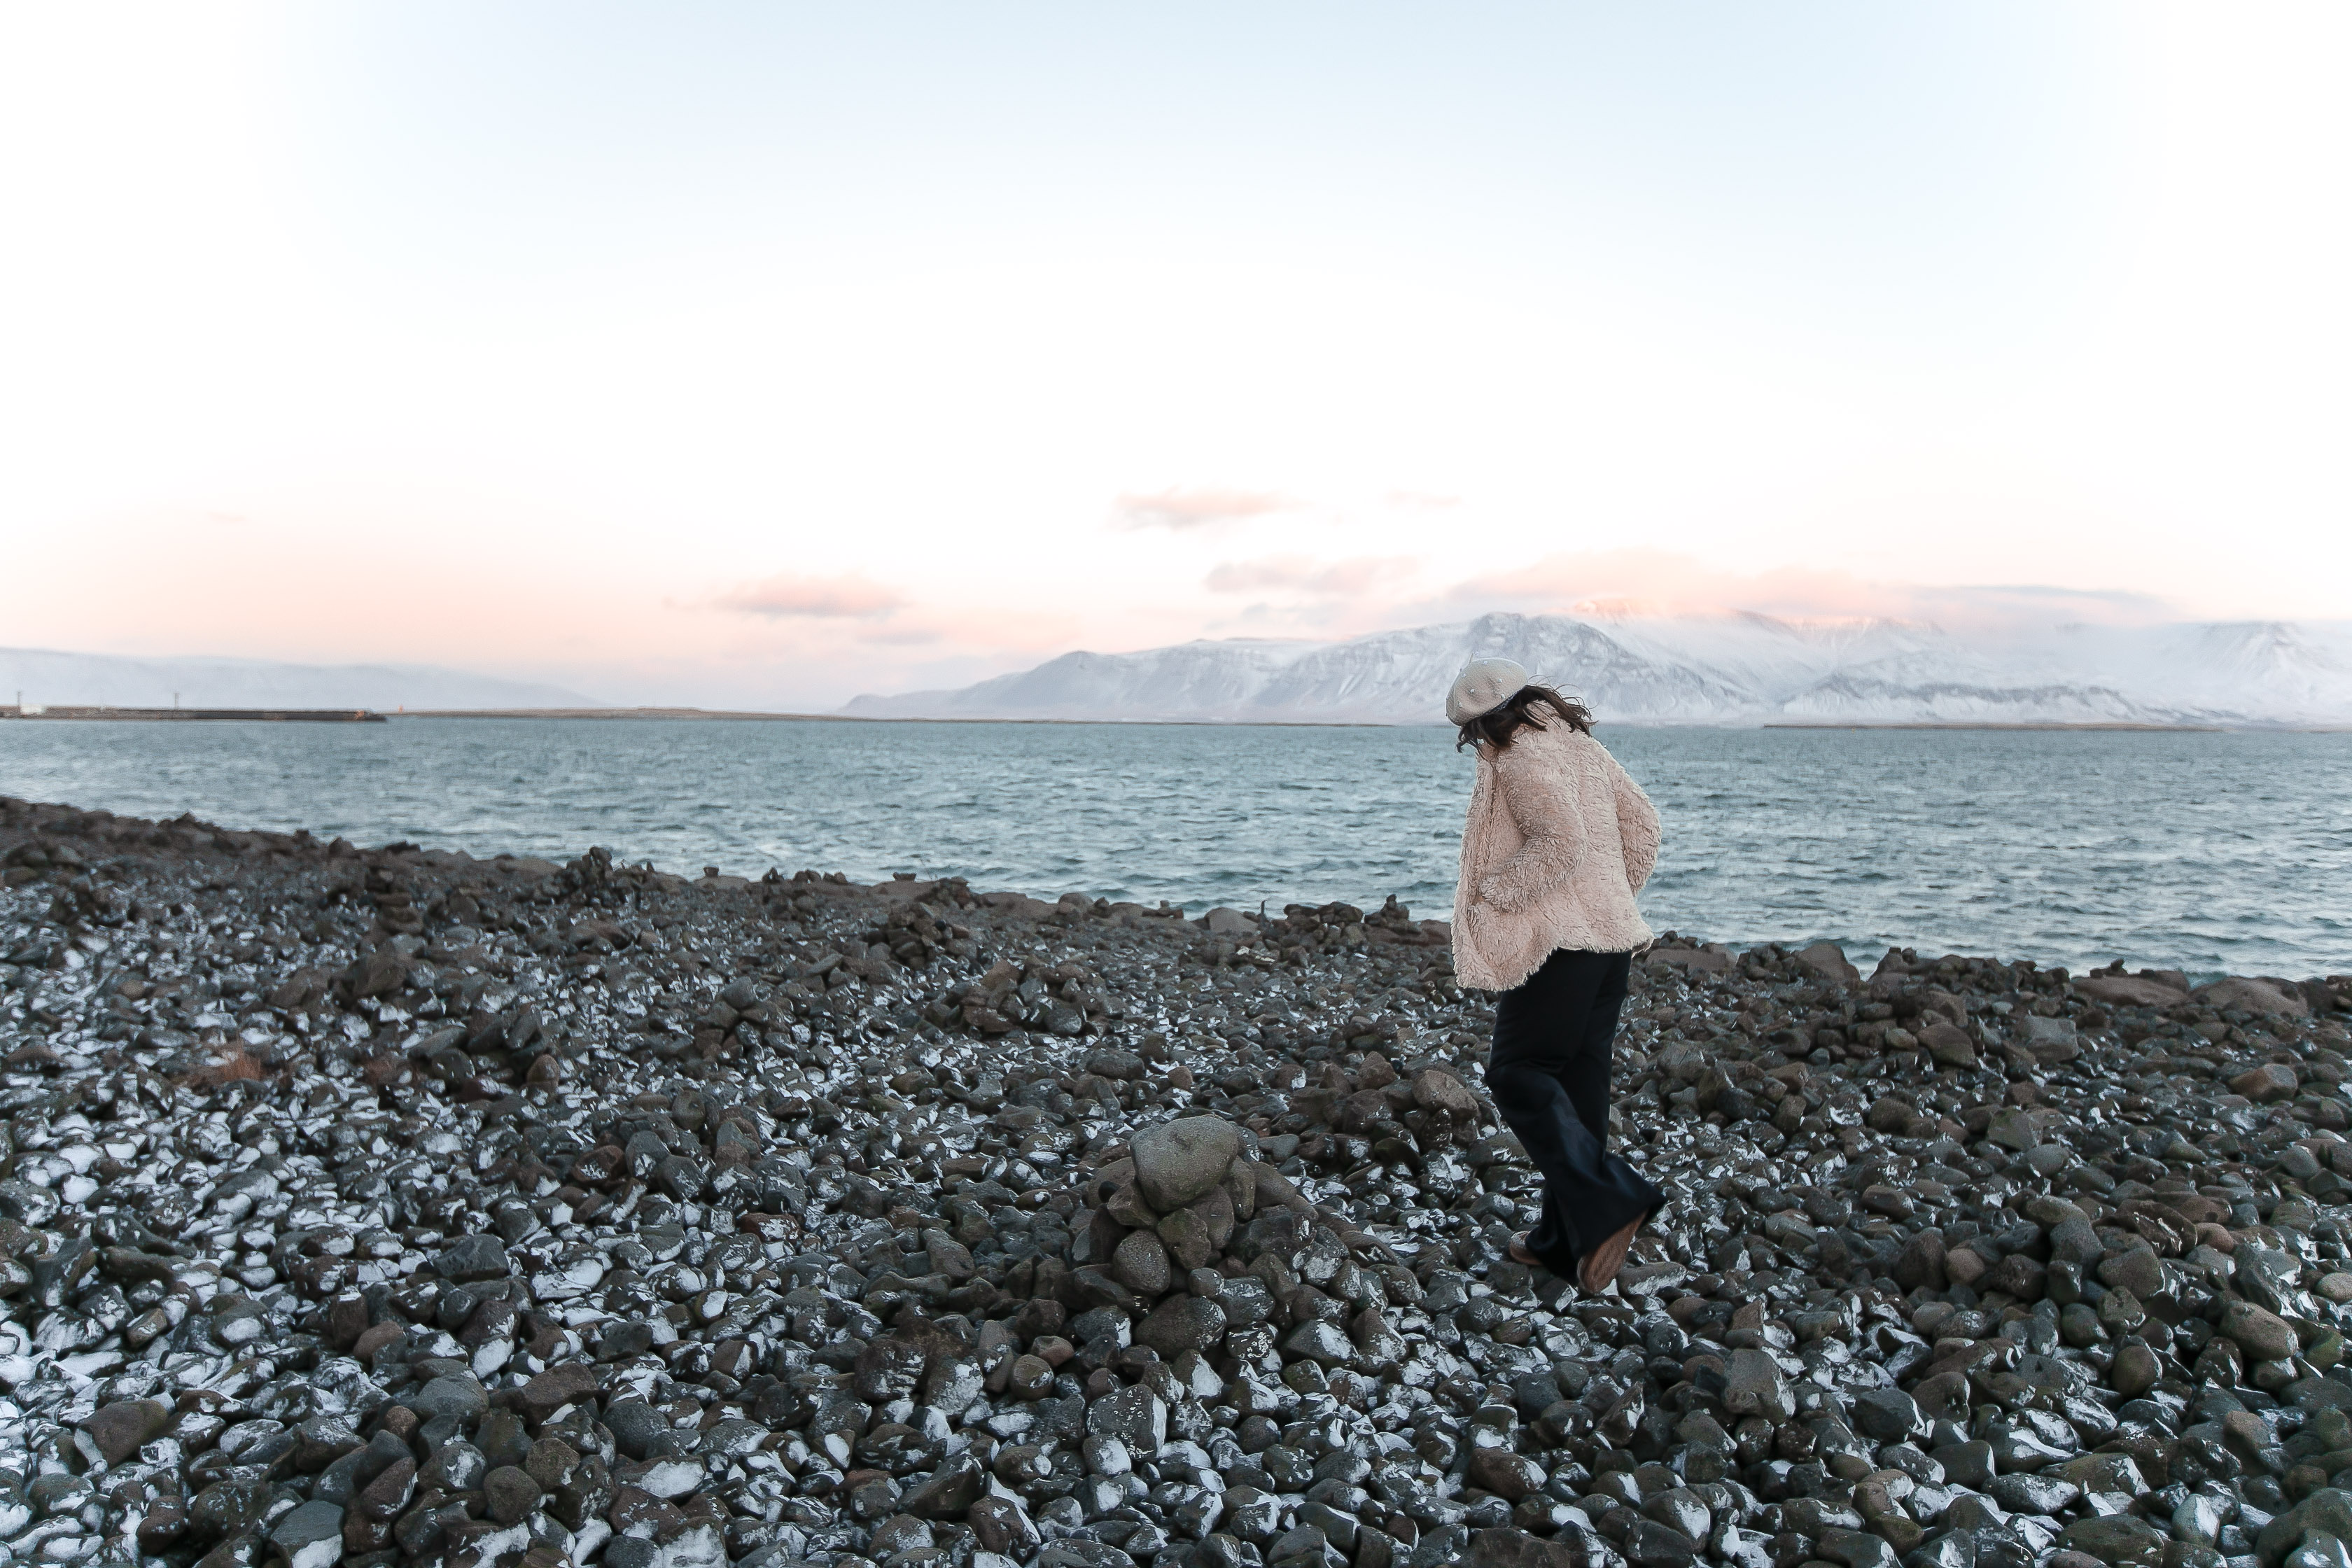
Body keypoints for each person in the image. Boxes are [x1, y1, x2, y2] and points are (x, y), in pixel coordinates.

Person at [1448, 656, 1664, 1294]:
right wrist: (1613, 896)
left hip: (1560, 943)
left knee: (1516, 1072)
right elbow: (1645, 826)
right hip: (1610, 942)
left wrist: (1499, 893)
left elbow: (1559, 842)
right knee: (1578, 1083)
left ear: (1486, 721)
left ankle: (1610, 1199)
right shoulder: (1581, 747)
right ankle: (1564, 1241)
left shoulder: (1521, 757)